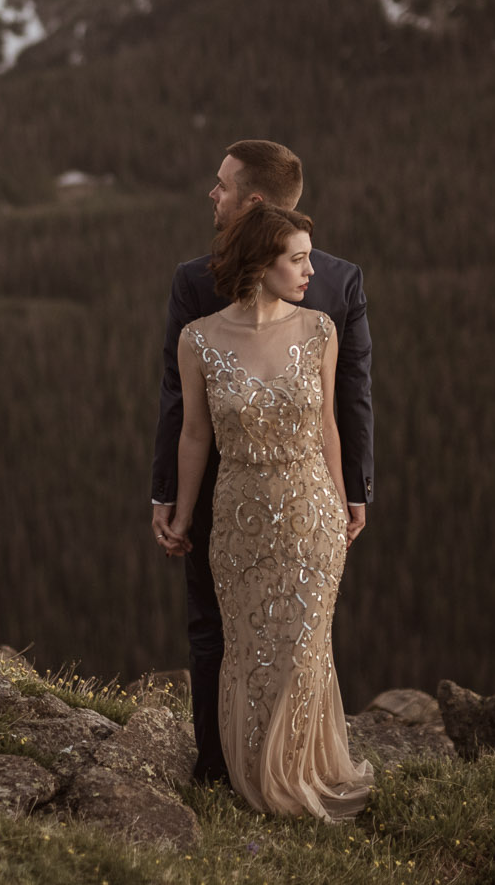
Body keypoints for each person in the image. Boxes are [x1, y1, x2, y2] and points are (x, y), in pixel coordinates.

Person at [150, 141, 375, 787]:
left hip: (308, 497)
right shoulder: (201, 298)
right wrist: (173, 495)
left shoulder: (331, 291)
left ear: (252, 200)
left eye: (221, 186)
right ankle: (224, 767)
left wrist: (347, 489)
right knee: (225, 636)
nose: (211, 196)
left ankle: (278, 771)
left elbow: (346, 397)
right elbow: (186, 409)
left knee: (295, 639)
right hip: (231, 495)